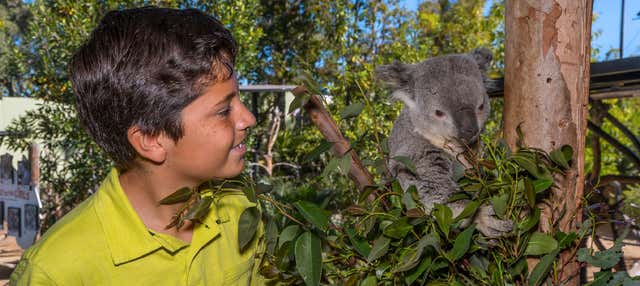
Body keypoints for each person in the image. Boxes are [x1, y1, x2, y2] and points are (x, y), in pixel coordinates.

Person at [10, 7, 264, 285]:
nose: (248, 119)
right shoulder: (57, 271)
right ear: (151, 139)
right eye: (223, 110)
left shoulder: (242, 212)